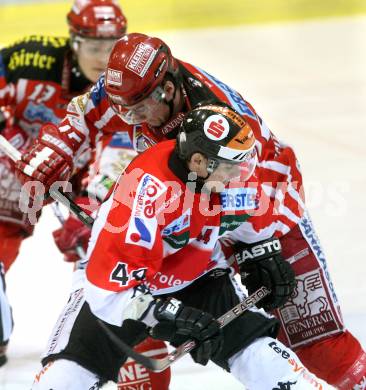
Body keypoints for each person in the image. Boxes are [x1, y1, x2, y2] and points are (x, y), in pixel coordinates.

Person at [15, 33, 366, 388]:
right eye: (123, 108)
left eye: (137, 107)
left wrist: (260, 246)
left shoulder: (226, 131)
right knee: (134, 317)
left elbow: (258, 187)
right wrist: (55, 148)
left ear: (166, 89)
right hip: (190, 216)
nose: (130, 119)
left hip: (267, 209)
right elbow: (85, 116)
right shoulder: (136, 92)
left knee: (314, 337)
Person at [30, 103, 334, 389]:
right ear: (199, 161)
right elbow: (108, 292)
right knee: (66, 377)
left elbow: (248, 215)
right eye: (231, 167)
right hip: (125, 291)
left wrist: (260, 251)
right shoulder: (146, 194)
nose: (240, 175)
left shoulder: (224, 174)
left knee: (262, 358)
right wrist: (167, 314)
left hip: (198, 276)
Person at [0, 0, 127, 367]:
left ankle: (101, 328)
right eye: (93, 46)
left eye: (112, 46)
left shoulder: (128, 83)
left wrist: (93, 205)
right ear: (73, 41)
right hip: (18, 157)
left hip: (83, 173)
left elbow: (121, 151)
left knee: (96, 241)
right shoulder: (31, 59)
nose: (103, 57)